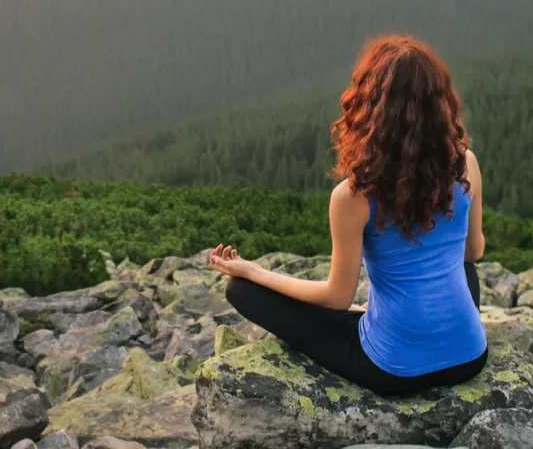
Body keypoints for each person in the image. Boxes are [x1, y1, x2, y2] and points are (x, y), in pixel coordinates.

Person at [207, 35, 488, 396]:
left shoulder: (353, 196)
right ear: (440, 105)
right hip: (469, 357)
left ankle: (378, 324)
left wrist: (255, 271)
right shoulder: (465, 164)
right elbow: (473, 252)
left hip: (393, 370)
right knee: (457, 266)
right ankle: (436, 331)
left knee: (241, 290)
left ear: (369, 109)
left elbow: (337, 298)